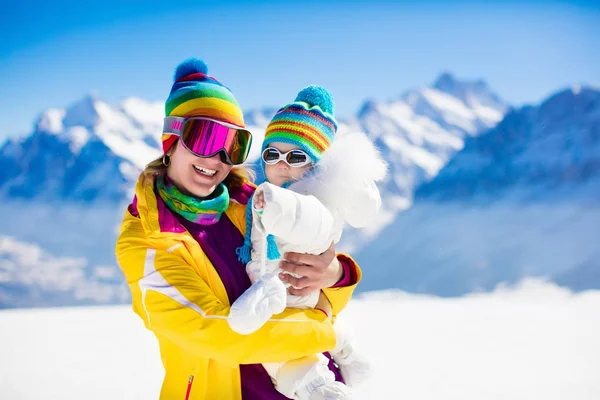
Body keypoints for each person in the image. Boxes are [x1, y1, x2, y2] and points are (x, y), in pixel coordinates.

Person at [115, 57, 363, 400]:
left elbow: (316, 280)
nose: (215, 158)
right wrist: (330, 333)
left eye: (232, 145)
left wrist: (334, 273)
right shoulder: (147, 240)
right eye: (203, 136)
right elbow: (217, 334)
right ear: (170, 141)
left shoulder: (254, 203)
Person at [227, 86, 386, 399]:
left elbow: (301, 216)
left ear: (317, 166)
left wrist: (335, 272)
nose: (281, 164)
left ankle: (321, 384)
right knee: (299, 340)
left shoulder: (304, 201)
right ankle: (346, 354)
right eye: (271, 155)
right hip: (283, 309)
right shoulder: (251, 201)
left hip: (287, 300)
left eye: (295, 156)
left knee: (286, 354)